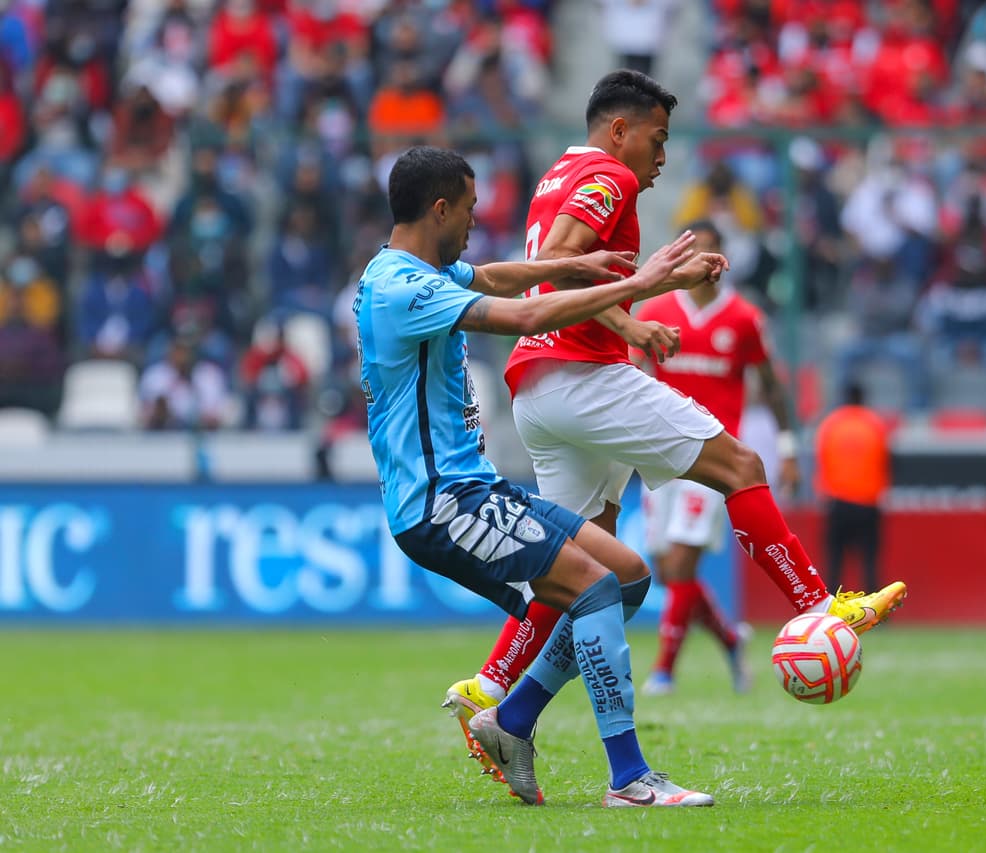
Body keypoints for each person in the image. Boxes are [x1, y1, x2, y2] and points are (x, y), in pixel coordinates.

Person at [443, 70, 907, 782]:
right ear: (621, 130)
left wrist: (625, 318)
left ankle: (498, 698)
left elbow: (552, 265)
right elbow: (566, 259)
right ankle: (823, 607)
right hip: (582, 376)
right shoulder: (608, 176)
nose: (662, 160)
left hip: (537, 385)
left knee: (577, 571)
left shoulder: (558, 170)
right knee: (740, 467)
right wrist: (630, 317)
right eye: (657, 141)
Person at [358, 145, 724, 807]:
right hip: (441, 500)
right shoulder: (402, 287)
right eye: (468, 210)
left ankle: (513, 719)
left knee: (627, 575)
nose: (474, 221)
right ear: (439, 209)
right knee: (590, 587)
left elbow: (498, 277)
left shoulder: (414, 270)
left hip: (473, 489)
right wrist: (641, 288)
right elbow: (523, 315)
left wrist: (571, 265)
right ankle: (629, 777)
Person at [631, 220, 800, 696]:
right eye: (695, 250)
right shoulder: (659, 309)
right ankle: (728, 638)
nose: (704, 260)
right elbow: (630, 371)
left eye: (713, 250)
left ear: (724, 260)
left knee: (682, 565)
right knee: (667, 572)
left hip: (711, 454)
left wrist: (788, 448)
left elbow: (771, 385)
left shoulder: (744, 318)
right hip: (655, 452)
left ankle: (663, 671)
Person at [812, 383, 891, 594]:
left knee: (835, 561)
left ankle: (829, 606)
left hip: (838, 501)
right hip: (868, 501)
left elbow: (822, 460)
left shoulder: (831, 425)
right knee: (870, 561)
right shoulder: (875, 424)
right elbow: (885, 460)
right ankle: (876, 611)